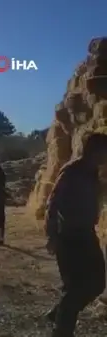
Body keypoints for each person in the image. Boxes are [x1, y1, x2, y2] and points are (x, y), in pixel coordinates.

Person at [44, 133, 107, 337]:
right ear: (94, 151)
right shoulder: (72, 171)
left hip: (87, 234)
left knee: (98, 283)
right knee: (74, 286)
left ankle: (61, 312)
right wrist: (52, 234)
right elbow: (53, 204)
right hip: (69, 236)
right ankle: (62, 330)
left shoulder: (93, 173)